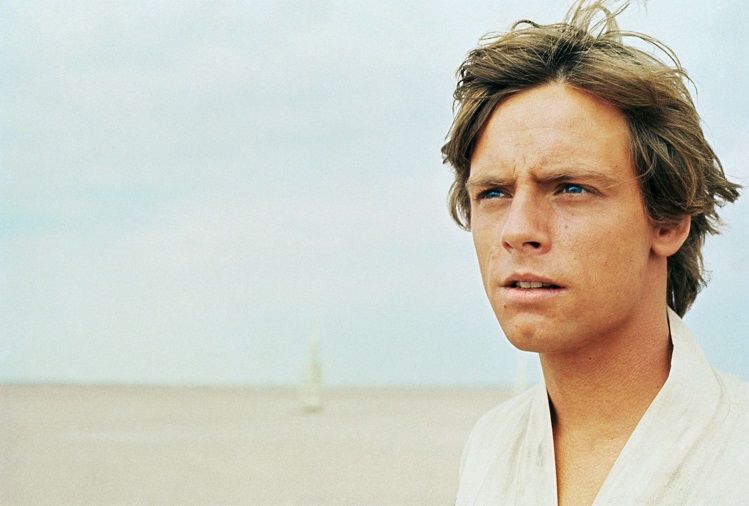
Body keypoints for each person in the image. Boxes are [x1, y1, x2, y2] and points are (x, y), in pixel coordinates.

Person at [441, 1, 746, 504]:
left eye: (570, 188)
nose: (518, 231)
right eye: (493, 193)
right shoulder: (491, 449)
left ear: (668, 220)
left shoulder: (737, 455)